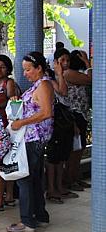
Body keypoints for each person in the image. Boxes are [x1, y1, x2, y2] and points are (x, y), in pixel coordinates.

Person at [7, 51, 53, 232]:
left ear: (39, 68)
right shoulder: (40, 85)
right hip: (34, 139)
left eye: (28, 69)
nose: (25, 73)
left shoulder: (43, 85)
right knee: (34, 178)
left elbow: (46, 112)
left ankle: (27, 221)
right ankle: (39, 216)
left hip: (33, 138)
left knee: (25, 179)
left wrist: (21, 122)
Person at [0, 55, 18, 212]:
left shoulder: (9, 83)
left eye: (1, 66)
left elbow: (10, 101)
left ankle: (5, 197)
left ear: (8, 68)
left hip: (4, 127)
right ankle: (4, 196)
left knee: (3, 163)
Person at [45, 48, 74, 204]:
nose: (65, 63)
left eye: (67, 60)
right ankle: (51, 189)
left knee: (62, 155)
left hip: (64, 119)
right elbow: (62, 91)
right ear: (55, 62)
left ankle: (59, 186)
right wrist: (59, 73)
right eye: (62, 60)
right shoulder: (50, 76)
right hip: (54, 121)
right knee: (53, 157)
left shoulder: (64, 75)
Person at [63, 50, 92, 192]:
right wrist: (87, 63)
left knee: (79, 149)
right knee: (74, 151)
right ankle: (70, 180)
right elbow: (91, 79)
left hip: (81, 114)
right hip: (75, 114)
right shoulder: (68, 73)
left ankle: (75, 178)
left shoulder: (74, 73)